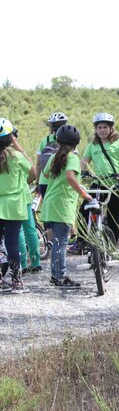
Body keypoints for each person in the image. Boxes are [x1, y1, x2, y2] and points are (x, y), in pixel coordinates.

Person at [40, 125, 93, 288]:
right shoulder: (72, 158)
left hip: (50, 202)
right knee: (61, 243)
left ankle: (56, 276)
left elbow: (46, 173)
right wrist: (84, 194)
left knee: (57, 242)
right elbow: (70, 176)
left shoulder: (54, 157)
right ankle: (60, 277)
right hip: (62, 205)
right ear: (76, 143)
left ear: (58, 141)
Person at [78, 112, 119, 247]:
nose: (102, 130)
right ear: (96, 129)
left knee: (113, 216)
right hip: (98, 184)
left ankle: (111, 246)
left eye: (105, 127)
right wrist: (81, 172)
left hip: (116, 184)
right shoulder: (92, 145)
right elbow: (84, 162)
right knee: (84, 210)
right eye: (99, 127)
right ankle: (82, 242)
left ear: (111, 128)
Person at [0, 118, 33, 293]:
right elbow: (33, 172)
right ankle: (16, 281)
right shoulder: (17, 156)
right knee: (12, 243)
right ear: (11, 137)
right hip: (14, 206)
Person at [12, 128, 42, 275]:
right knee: (30, 229)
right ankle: (36, 263)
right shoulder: (18, 154)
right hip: (24, 195)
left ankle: (23, 264)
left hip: (10, 199)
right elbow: (33, 173)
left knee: (17, 231)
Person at [35, 112, 68, 190]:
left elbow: (38, 163)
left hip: (44, 182)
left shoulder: (45, 140)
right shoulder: (69, 140)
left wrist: (37, 182)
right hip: (61, 182)